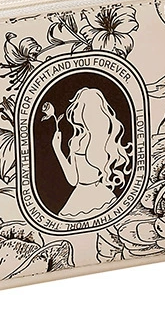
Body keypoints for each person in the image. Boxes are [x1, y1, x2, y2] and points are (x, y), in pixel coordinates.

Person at [44, 88, 131, 219]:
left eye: (78, 105)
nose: (74, 109)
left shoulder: (77, 142)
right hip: (103, 195)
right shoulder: (103, 138)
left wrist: (57, 148)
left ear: (84, 110)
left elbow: (73, 180)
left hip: (82, 197)